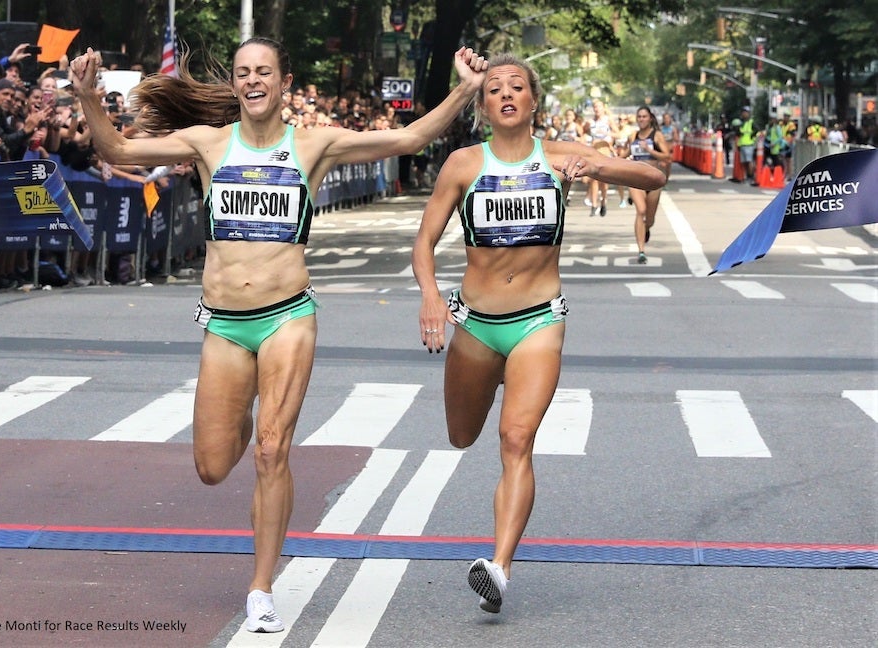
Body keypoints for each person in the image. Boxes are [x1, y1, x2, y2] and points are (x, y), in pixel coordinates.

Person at [69, 37, 488, 633]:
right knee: (213, 465)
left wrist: (465, 89)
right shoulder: (208, 144)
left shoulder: (313, 145)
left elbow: (409, 139)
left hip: (288, 316)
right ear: (236, 84)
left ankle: (261, 587)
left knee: (272, 450)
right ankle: (240, 412)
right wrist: (88, 96)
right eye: (244, 72)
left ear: (284, 81)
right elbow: (117, 146)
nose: (253, 80)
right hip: (225, 324)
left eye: (265, 70)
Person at [411, 53, 665, 615]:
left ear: (533, 102)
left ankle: (499, 567)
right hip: (476, 325)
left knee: (516, 440)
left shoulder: (563, 157)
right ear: (482, 105)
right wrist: (431, 296)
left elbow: (654, 176)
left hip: (537, 322)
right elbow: (423, 243)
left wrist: (596, 169)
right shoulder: (462, 164)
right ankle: (498, 558)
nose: (505, 93)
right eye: (495, 87)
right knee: (460, 436)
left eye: (517, 86)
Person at [620, 105, 670, 263]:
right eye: (639, 116)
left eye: (644, 116)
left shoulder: (657, 136)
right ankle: (641, 251)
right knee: (640, 211)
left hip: (653, 181)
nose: (641, 119)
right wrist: (616, 158)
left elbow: (667, 157)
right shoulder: (633, 136)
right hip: (636, 180)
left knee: (650, 219)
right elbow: (626, 154)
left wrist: (650, 149)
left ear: (650, 118)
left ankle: (646, 229)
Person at [736, 106, 757, 184]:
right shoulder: (741, 123)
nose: (744, 114)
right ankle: (747, 176)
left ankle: (750, 177)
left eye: (745, 112)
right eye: (743, 112)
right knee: (744, 162)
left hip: (749, 144)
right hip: (742, 144)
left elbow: (757, 130)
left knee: (749, 161)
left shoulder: (751, 122)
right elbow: (739, 133)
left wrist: (752, 136)